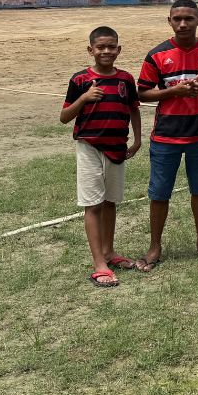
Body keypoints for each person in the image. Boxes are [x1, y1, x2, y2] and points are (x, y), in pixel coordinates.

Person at [136, 0, 198, 271]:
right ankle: (155, 246)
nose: (182, 23)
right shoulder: (156, 55)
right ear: (169, 21)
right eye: (177, 18)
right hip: (166, 136)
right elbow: (142, 93)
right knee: (159, 193)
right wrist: (172, 92)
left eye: (189, 18)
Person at [60, 26, 142, 287]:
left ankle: (109, 252)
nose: (106, 51)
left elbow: (133, 109)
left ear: (119, 49)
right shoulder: (81, 80)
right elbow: (64, 117)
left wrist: (138, 138)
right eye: (100, 47)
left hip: (117, 147)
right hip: (90, 146)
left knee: (110, 202)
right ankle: (99, 264)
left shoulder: (126, 80)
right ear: (90, 50)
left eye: (111, 47)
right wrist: (84, 98)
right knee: (93, 204)